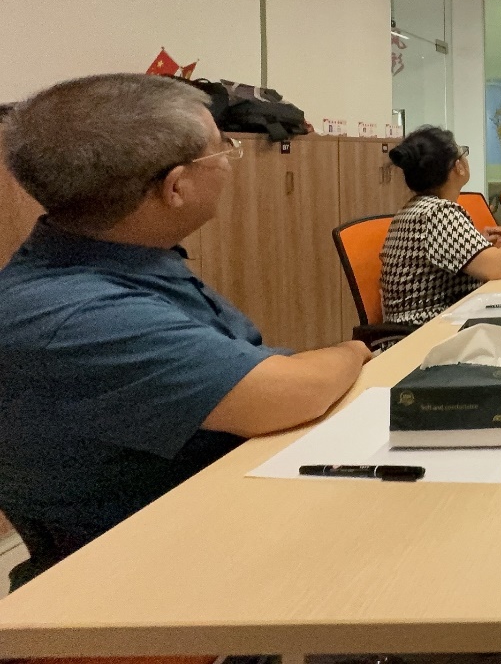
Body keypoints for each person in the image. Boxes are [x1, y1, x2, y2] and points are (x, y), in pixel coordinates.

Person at [0, 74, 370, 586]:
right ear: (177, 187)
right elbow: (290, 392)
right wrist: (355, 349)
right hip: (148, 574)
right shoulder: (73, 315)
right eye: (223, 149)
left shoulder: (124, 257)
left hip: (221, 510)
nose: (230, 162)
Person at [380, 127, 501, 334]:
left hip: (423, 325)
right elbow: (497, 268)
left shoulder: (414, 209)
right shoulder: (438, 212)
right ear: (458, 167)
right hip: (425, 331)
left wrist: (478, 244)